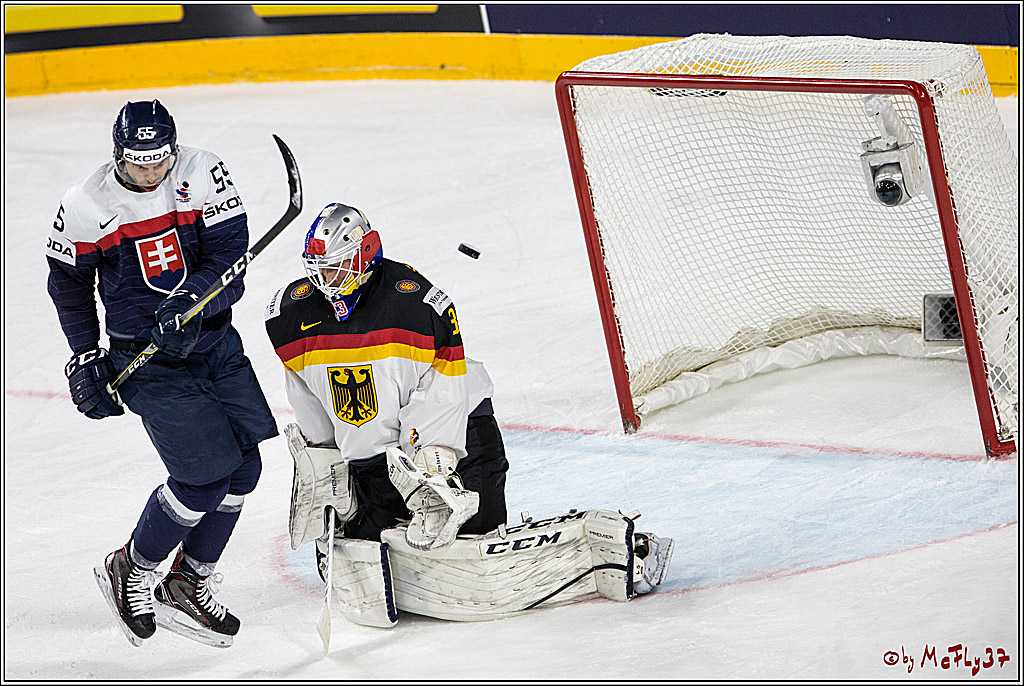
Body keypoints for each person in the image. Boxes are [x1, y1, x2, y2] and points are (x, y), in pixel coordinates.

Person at [46, 99, 278, 647]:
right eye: (137, 162)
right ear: (117, 155)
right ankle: (132, 566)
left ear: (173, 151)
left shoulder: (203, 173)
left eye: (159, 160)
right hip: (145, 360)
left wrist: (193, 298)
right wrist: (84, 355)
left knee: (244, 469)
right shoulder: (85, 204)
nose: (149, 172)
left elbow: (230, 254)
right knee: (203, 478)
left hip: (216, 343)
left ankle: (186, 580)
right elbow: (69, 287)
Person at [264, 203, 509, 559]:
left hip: (458, 438)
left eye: (336, 267)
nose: (326, 280)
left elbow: (444, 390)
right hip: (375, 463)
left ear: (366, 253)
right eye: (320, 269)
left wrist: (432, 466)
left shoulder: (416, 305)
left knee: (470, 542)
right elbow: (309, 399)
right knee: (371, 546)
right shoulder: (290, 317)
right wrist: (325, 464)